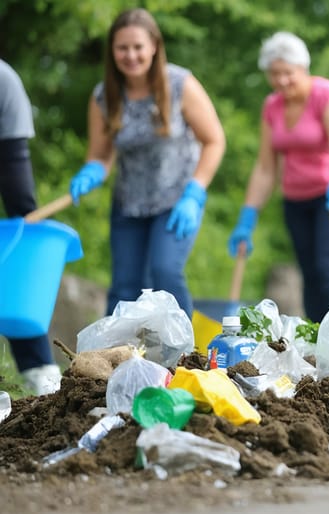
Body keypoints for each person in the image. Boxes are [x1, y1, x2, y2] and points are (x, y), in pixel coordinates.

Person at [68, 8, 225, 317]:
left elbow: (214, 140)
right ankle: (118, 360)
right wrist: (91, 171)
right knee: (125, 286)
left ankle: (183, 356)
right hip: (129, 204)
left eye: (138, 47)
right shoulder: (104, 96)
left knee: (165, 271)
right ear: (112, 50)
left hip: (177, 200)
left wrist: (196, 192)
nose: (131, 55)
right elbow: (100, 155)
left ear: (154, 45)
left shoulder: (180, 84)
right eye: (122, 48)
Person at [228, 32, 329, 323]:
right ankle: (318, 340)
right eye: (274, 74)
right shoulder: (272, 106)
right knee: (310, 274)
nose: (282, 81)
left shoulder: (326, 94)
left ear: (303, 68)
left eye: (288, 73)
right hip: (296, 199)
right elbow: (265, 167)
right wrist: (248, 215)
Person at [0, 59, 63, 395]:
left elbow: (14, 177)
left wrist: (23, 223)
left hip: (4, 145)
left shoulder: (3, 82)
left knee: (18, 244)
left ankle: (40, 371)